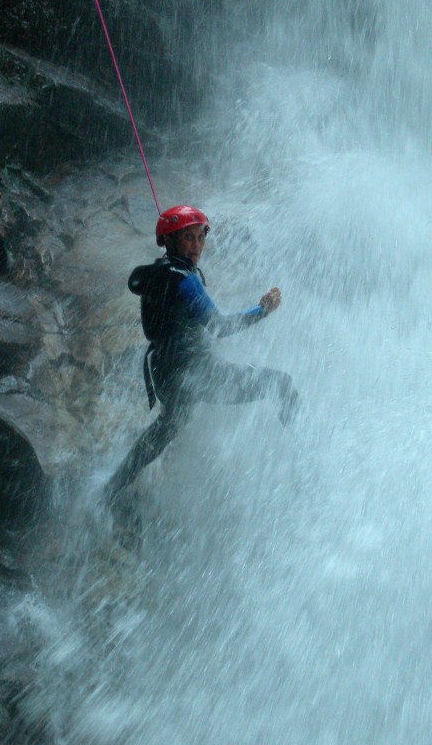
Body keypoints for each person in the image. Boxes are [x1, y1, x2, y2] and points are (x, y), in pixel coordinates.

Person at [106, 204, 299, 540]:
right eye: (187, 238)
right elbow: (220, 327)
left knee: (167, 428)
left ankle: (111, 489)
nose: (196, 246)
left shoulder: (154, 274)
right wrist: (263, 309)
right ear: (169, 241)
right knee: (278, 384)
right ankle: (302, 455)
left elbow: (135, 281)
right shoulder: (184, 281)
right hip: (197, 373)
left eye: (199, 238)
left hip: (167, 375)